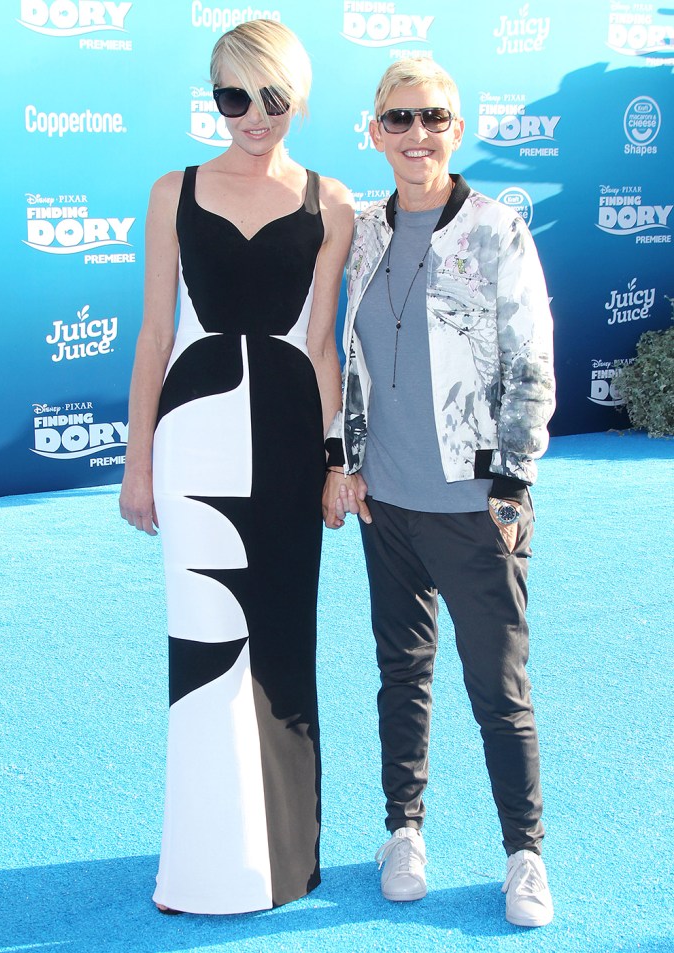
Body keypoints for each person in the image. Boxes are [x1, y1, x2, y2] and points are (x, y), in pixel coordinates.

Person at [119, 20, 353, 914]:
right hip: (194, 433)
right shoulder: (171, 192)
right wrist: (137, 462)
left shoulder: (333, 201)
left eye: (272, 98)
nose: (253, 116)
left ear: (296, 97)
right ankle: (205, 864)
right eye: (233, 97)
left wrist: (337, 462)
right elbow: (151, 335)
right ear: (213, 98)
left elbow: (325, 347)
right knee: (205, 634)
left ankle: (283, 857)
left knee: (286, 638)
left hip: (292, 434)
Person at [322, 58, 556, 928]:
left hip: (475, 504)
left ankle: (524, 852)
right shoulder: (363, 227)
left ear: (457, 129)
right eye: (399, 119)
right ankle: (403, 829)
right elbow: (351, 357)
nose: (417, 134)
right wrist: (343, 462)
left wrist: (513, 481)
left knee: (499, 688)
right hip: (386, 501)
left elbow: (532, 361)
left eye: (434, 118)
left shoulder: (496, 230)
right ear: (375, 131)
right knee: (402, 674)